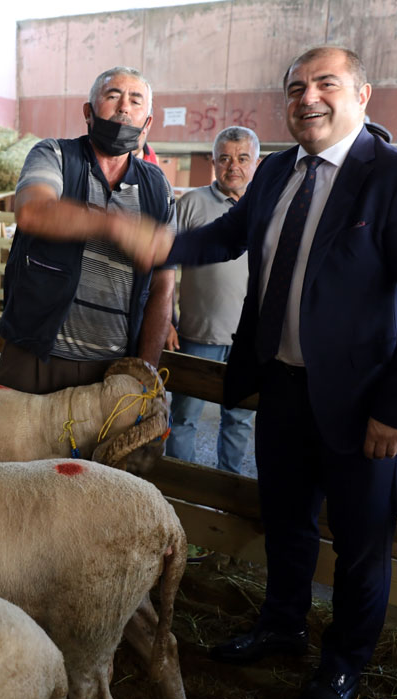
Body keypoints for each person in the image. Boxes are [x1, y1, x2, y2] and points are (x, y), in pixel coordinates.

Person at [152, 46, 397, 699]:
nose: (307, 97)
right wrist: (155, 243)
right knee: (286, 521)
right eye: (295, 88)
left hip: (364, 404)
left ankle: (345, 661)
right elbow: (228, 233)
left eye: (325, 83)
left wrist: (396, 409)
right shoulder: (276, 174)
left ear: (363, 94)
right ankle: (283, 625)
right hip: (284, 391)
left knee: (359, 543)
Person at [0, 66, 176, 395]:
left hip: (111, 369)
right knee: (16, 445)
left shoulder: (157, 186)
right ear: (88, 112)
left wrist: (146, 370)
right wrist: (114, 224)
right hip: (35, 356)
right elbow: (32, 211)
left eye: (136, 101)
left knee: (100, 449)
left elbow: (163, 283)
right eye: (113, 96)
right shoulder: (55, 155)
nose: (124, 107)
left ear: (147, 123)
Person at [165, 126, 260, 473]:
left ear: (256, 163)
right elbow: (165, 264)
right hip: (196, 333)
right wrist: (167, 320)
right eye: (225, 158)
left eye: (242, 158)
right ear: (214, 163)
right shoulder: (190, 204)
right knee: (184, 415)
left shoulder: (265, 207)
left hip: (249, 340)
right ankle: (179, 488)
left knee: (238, 420)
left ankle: (229, 491)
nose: (233, 166)